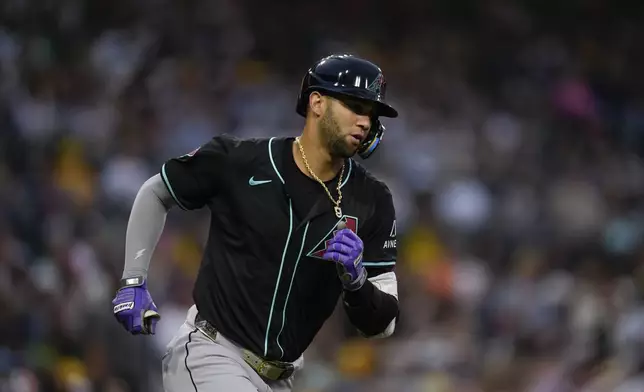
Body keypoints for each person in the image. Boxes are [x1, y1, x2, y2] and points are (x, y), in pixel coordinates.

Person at [111, 53, 400, 392]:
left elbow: (382, 325)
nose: (365, 121)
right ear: (317, 103)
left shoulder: (373, 201)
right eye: (355, 105)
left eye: (371, 113)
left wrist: (358, 283)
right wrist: (134, 278)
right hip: (213, 352)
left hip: (280, 378)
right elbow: (157, 191)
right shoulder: (241, 161)